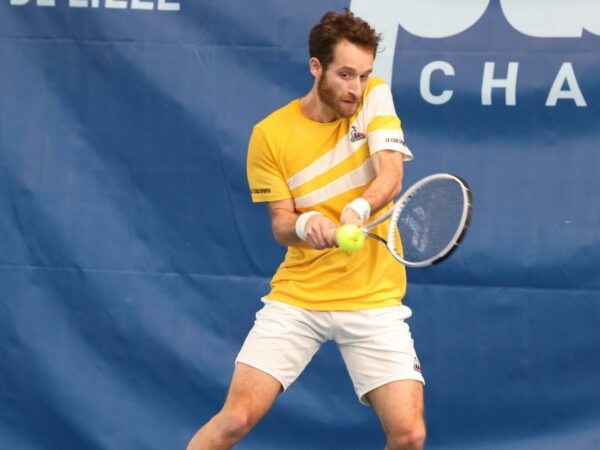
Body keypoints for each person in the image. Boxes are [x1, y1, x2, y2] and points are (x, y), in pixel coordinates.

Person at [187, 9, 425, 450]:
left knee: (409, 435)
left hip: (373, 299)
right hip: (300, 298)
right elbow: (280, 225)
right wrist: (305, 223)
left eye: (364, 74)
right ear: (316, 67)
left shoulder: (375, 96)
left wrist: (357, 207)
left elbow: (390, 175)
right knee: (235, 420)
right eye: (346, 74)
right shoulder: (270, 135)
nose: (356, 88)